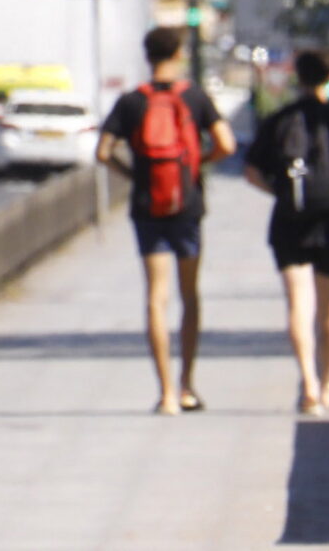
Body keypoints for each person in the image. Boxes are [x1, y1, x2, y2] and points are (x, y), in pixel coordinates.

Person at [95, 26, 237, 414]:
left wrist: (134, 176)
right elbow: (227, 144)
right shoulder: (193, 97)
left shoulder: (130, 102)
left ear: (147, 55)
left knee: (156, 299)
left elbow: (104, 152)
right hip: (187, 206)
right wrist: (195, 166)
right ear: (178, 54)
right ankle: (188, 384)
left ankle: (166, 394)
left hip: (147, 205)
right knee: (189, 296)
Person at [244, 49, 329, 414]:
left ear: (296, 78)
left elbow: (252, 172)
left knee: (298, 305)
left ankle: (306, 383)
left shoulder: (279, 120)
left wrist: (281, 194)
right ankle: (326, 381)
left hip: (288, 222)